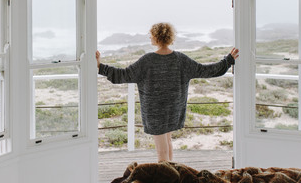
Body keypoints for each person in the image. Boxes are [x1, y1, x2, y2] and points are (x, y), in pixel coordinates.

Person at [96, 22, 239, 162]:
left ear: (156, 38)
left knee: (161, 151)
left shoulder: (147, 60)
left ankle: (166, 181)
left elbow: (123, 75)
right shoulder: (181, 59)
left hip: (155, 112)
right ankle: (172, 174)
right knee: (168, 142)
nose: (150, 38)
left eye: (151, 35)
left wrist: (100, 67)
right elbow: (206, 71)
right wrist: (228, 61)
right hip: (173, 109)